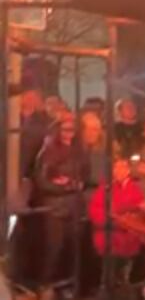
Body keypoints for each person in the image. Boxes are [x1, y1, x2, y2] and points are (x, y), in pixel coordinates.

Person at [33, 115, 86, 300]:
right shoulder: (48, 150)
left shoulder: (79, 150)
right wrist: (62, 186)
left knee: (72, 248)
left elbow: (84, 174)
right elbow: (41, 181)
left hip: (74, 205)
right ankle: (45, 285)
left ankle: (67, 285)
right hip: (55, 205)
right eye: (65, 129)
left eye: (72, 129)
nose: (69, 133)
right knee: (54, 248)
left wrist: (76, 184)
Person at [88, 157, 145, 286]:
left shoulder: (134, 189)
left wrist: (125, 221)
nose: (119, 171)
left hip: (127, 236)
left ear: (128, 170)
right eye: (116, 167)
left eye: (123, 167)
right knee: (108, 271)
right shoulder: (104, 188)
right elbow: (95, 210)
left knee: (123, 272)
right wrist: (112, 220)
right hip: (108, 234)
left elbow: (138, 211)